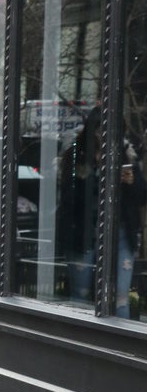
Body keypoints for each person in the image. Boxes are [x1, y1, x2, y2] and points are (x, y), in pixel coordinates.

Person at [58, 107, 146, 316]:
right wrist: (90, 174)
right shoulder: (76, 155)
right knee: (81, 294)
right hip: (85, 232)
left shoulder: (126, 154)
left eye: (116, 130)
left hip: (121, 234)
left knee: (120, 297)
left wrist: (132, 182)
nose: (106, 136)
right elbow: (68, 197)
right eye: (100, 131)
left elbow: (142, 196)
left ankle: (120, 345)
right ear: (92, 130)